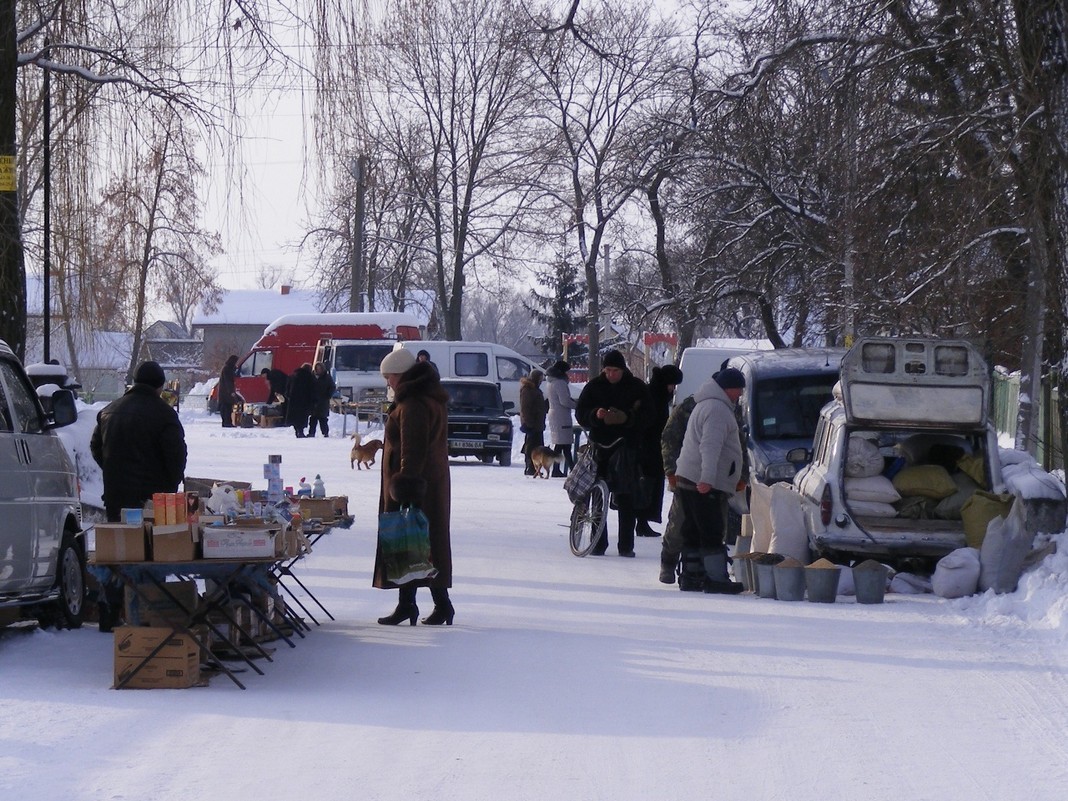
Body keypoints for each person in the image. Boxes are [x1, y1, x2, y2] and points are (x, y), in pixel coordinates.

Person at [89, 360, 188, 630]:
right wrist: (169, 487)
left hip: (117, 497)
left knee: (118, 553)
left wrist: (114, 473)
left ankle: (110, 611)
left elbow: (97, 448)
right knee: (153, 554)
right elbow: (176, 457)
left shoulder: (109, 411)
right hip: (153, 500)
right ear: (160, 386)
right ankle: (150, 611)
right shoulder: (165, 415)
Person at [374, 347, 455, 625]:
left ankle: (427, 605)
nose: (387, 382)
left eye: (389, 376)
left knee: (415, 541)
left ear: (401, 375)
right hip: (431, 482)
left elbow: (413, 447)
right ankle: (418, 604)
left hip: (416, 483)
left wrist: (406, 483)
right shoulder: (427, 398)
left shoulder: (413, 405)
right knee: (417, 543)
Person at [674, 367, 747, 594]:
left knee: (693, 528)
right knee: (712, 530)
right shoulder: (717, 409)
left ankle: (691, 576)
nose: (740, 395)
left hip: (688, 476)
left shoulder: (705, 403)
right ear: (729, 389)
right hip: (704, 481)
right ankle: (716, 579)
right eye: (739, 390)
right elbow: (710, 446)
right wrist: (707, 479)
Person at [575, 349, 652, 557]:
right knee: (598, 495)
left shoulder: (637, 387)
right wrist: (595, 415)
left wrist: (627, 418)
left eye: (614, 370)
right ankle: (598, 543)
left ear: (622, 369)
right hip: (599, 446)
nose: (610, 374)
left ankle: (626, 546)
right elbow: (581, 414)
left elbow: (648, 417)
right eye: (607, 370)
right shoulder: (593, 387)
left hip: (626, 447)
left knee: (626, 496)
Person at [636, 364, 683, 537]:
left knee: (649, 486)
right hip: (649, 449)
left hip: (652, 448)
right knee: (647, 486)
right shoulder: (655, 397)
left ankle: (643, 521)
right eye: (672, 384)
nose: (673, 389)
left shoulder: (657, 395)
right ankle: (641, 522)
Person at [657, 392, 697, 583]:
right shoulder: (687, 408)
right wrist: (671, 470)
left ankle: (705, 565)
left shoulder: (732, 408)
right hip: (686, 472)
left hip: (717, 475)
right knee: (679, 521)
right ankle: (669, 563)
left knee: (714, 525)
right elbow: (669, 439)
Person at [545, 360, 577, 477]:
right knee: (564, 444)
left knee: (561, 444)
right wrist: (576, 405)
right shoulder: (559, 383)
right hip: (561, 415)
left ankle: (558, 468)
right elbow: (564, 400)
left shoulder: (551, 382)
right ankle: (571, 470)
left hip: (555, 414)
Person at [519, 369, 548, 476]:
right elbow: (525, 408)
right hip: (532, 424)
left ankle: (534, 467)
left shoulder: (534, 389)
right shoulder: (528, 390)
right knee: (531, 446)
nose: (541, 381)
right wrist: (528, 423)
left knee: (537, 446)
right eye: (540, 378)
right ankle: (530, 467)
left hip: (537, 423)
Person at [285, 362, 316, 437]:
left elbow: (287, 389)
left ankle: (297, 431)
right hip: (304, 401)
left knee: (295, 417)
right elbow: (311, 389)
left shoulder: (292, 376)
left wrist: (289, 396)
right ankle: (300, 431)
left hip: (293, 401)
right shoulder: (309, 377)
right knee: (302, 417)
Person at [308, 362, 336, 437]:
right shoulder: (312, 376)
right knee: (313, 419)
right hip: (313, 401)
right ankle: (311, 433)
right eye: (317, 369)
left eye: (320, 369)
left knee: (323, 419)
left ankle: (325, 433)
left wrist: (328, 395)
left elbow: (332, 387)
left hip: (323, 401)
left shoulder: (327, 377)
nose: (318, 370)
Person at [217, 354, 239, 428]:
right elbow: (228, 381)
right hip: (226, 393)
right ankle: (227, 422)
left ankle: (227, 422)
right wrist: (231, 391)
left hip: (225, 392)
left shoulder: (228, 368)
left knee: (227, 408)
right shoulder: (227, 369)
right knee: (227, 408)